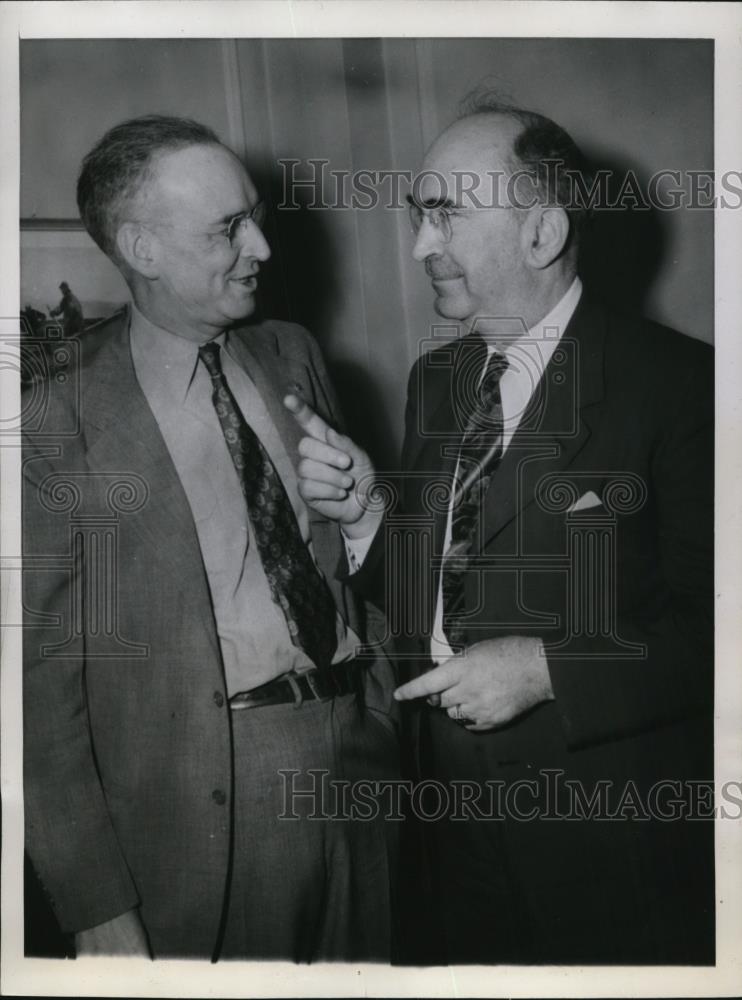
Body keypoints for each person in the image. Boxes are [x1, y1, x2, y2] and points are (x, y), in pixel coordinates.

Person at [289, 97, 714, 964]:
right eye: (419, 216)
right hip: (444, 827)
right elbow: (433, 592)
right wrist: (366, 513)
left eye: (446, 214)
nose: (420, 245)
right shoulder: (436, 382)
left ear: (542, 232)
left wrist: (551, 669)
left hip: (605, 840)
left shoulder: (683, 386)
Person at [23, 114, 398, 962]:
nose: (260, 246)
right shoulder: (55, 414)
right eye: (227, 229)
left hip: (359, 764)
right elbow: (36, 688)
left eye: (254, 217)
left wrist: (364, 520)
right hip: (207, 802)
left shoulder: (292, 352)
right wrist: (94, 904)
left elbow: (347, 560)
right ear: (142, 248)